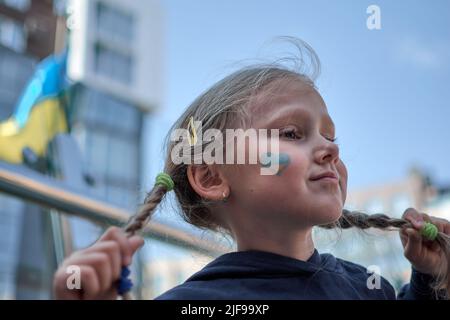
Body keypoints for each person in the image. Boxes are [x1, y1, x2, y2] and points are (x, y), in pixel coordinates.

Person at [53, 39, 450, 300]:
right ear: (212, 177)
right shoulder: (196, 303)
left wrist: (430, 278)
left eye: (330, 136)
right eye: (293, 133)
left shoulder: (369, 286)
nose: (330, 148)